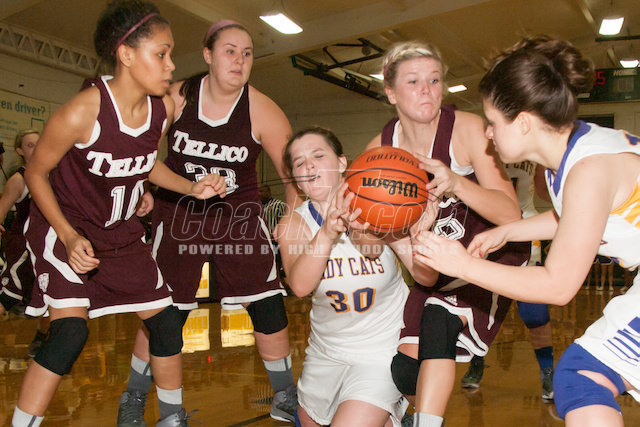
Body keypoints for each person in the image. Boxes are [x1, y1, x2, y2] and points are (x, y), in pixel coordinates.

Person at [12, 2, 226, 426]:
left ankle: (171, 418)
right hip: (66, 227)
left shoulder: (161, 111)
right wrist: (68, 235)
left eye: (170, 54)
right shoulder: (83, 111)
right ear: (126, 54)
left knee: (167, 324)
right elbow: (36, 174)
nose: (170, 64)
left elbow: (144, 162)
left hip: (119, 234)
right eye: (161, 54)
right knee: (70, 333)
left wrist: (189, 187)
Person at [413, 35, 640, 426]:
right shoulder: (573, 150)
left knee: (581, 377)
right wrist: (509, 232)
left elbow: (558, 286)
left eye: (492, 123)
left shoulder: (587, 171)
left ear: (522, 122)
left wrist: (463, 265)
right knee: (581, 376)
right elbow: (579, 218)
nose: (488, 133)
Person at [118, 19, 299, 425]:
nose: (239, 60)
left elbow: (292, 172)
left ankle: (286, 395)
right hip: (179, 213)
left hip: (238, 217)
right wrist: (142, 189)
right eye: (230, 51)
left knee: (268, 304)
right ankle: (134, 397)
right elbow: (142, 151)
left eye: (247, 53)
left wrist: (292, 216)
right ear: (208, 55)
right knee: (165, 314)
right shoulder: (176, 97)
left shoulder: (262, 109)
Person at [366, 40, 529, 427]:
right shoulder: (379, 151)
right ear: (391, 92)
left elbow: (511, 215)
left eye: (435, 80)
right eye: (413, 81)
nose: (427, 90)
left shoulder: (467, 129)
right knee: (406, 371)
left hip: (487, 253)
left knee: (438, 320)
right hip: (434, 266)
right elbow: (369, 245)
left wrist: (456, 182)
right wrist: (368, 226)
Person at [276, 126, 438, 426]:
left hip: (381, 350)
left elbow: (426, 278)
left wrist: (419, 236)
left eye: (318, 155)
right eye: (299, 163)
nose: (308, 165)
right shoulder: (294, 224)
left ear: (341, 163)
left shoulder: (380, 204)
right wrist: (327, 233)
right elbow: (299, 286)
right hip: (326, 351)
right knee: (309, 421)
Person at [461, 161, 556, 401]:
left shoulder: (533, 154)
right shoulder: (479, 153)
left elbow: (546, 193)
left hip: (526, 232)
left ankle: (547, 371)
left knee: (534, 312)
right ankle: (476, 362)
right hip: (488, 232)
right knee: (481, 307)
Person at [0, 129, 49, 357]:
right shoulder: (18, 180)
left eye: (39, 143)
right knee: (9, 293)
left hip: (46, 245)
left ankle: (41, 337)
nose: (36, 148)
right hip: (22, 245)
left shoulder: (52, 175)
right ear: (19, 151)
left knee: (51, 294)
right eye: (30, 145)